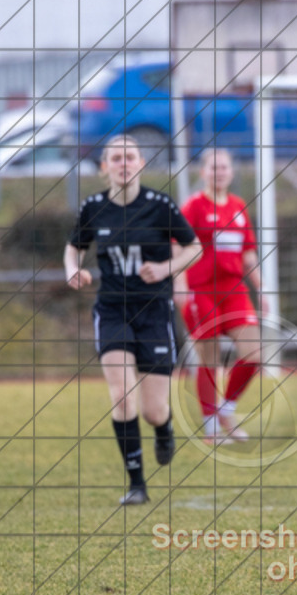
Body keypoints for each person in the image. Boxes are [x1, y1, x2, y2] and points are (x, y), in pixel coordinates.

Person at [64, 134, 201, 505]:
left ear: (141, 163)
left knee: (153, 410)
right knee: (123, 399)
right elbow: (74, 247)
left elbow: (194, 247)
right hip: (112, 311)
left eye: (130, 157)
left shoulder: (160, 205)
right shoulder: (94, 207)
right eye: (115, 158)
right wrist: (72, 270)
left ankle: (164, 428)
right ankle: (137, 485)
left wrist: (166, 268)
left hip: (154, 313)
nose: (123, 163)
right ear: (104, 167)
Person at [177, 148, 268, 445]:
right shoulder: (193, 207)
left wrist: (261, 287)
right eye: (213, 168)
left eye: (225, 167)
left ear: (231, 172)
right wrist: (179, 285)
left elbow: (248, 255)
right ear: (203, 172)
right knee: (210, 358)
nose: (220, 172)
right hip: (201, 290)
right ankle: (211, 428)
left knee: (254, 353)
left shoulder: (239, 207)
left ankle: (226, 411)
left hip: (234, 291)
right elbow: (176, 249)